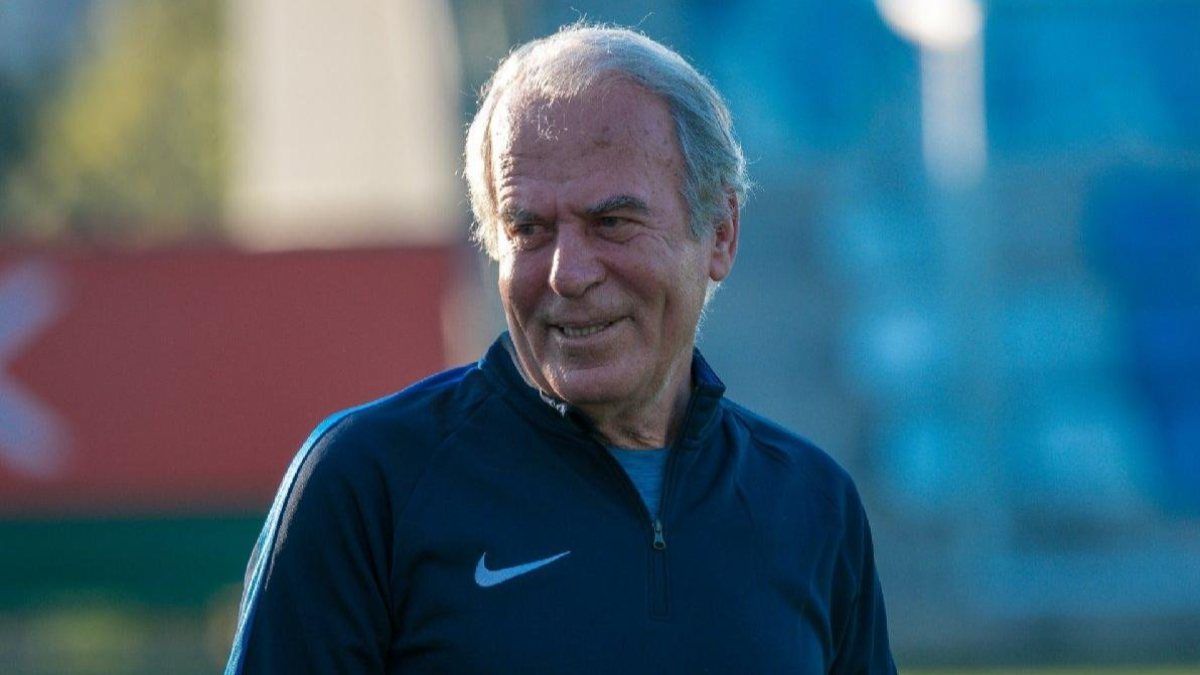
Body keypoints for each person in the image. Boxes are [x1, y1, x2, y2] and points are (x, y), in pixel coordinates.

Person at [225, 23, 896, 674]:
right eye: (529, 229)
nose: (566, 273)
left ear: (720, 233)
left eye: (612, 222)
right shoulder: (368, 483)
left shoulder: (813, 504)